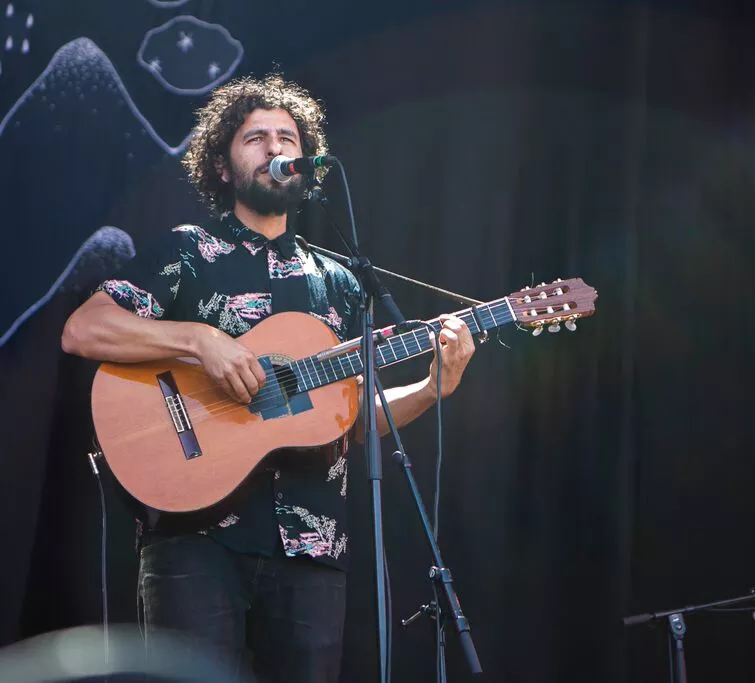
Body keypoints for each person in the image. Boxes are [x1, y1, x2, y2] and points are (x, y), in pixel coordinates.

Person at [61, 74, 477, 683]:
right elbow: (84, 329)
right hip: (194, 538)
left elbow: (351, 420)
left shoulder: (339, 281)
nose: (276, 148)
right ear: (223, 166)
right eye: (256, 138)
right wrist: (200, 340)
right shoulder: (188, 252)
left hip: (312, 551)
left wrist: (432, 386)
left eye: (288, 137)